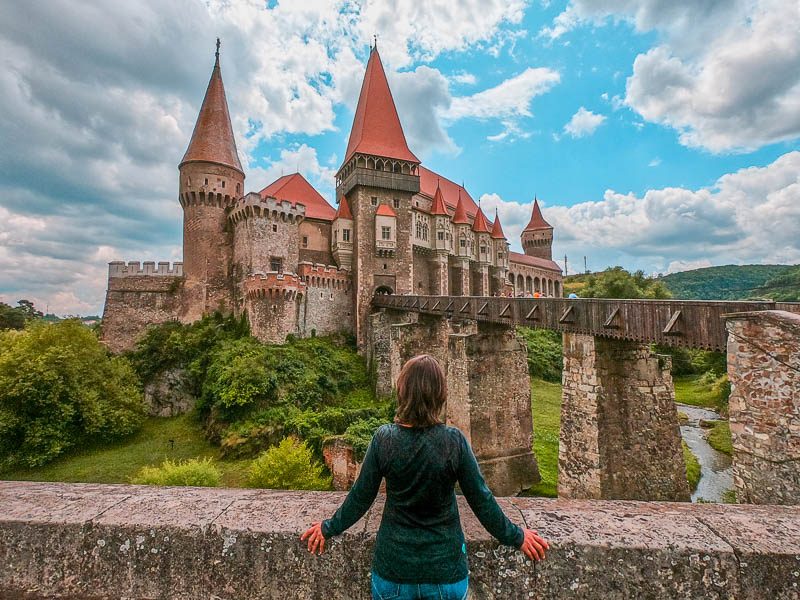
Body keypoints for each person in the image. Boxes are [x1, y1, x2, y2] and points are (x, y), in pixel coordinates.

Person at [301, 354, 549, 599]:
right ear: (439, 395)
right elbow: (481, 499)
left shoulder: (384, 439)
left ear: (402, 391)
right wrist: (516, 536)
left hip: (394, 571)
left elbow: (361, 497)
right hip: (445, 573)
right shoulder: (454, 441)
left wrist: (328, 528)